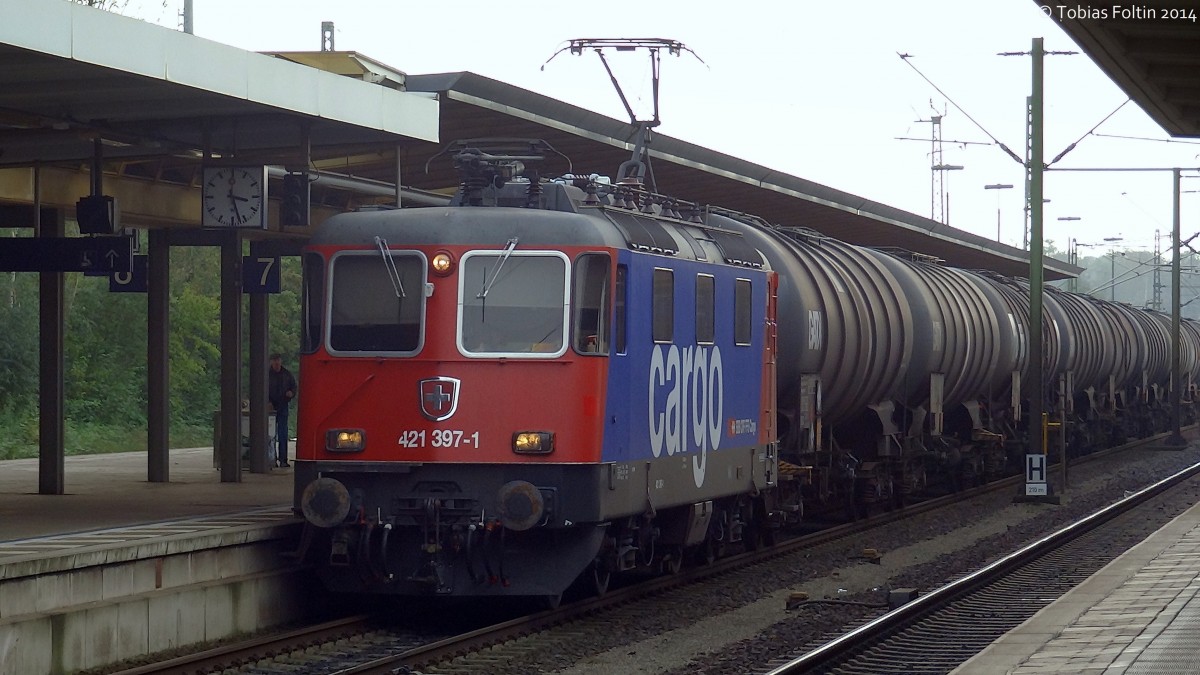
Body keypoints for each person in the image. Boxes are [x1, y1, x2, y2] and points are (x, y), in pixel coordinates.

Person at [268, 353, 297, 467]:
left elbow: (293, 387)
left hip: (283, 406)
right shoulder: (266, 374)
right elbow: (261, 388)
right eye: (274, 360)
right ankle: (271, 459)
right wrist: (267, 402)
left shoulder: (287, 374)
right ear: (271, 362)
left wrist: (291, 393)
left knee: (283, 434)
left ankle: (283, 460)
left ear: (281, 361)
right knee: (270, 435)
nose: (276, 363)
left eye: (278, 360)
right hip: (269, 408)